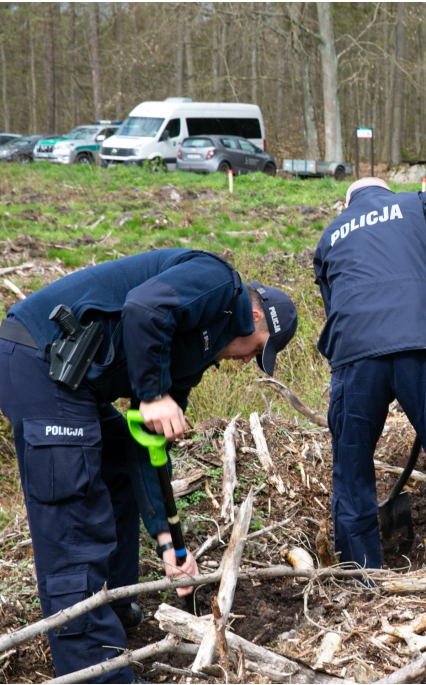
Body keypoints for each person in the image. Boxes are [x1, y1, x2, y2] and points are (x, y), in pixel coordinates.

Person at [0, 249, 298, 683]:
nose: (249, 360)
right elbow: (144, 306)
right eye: (259, 350)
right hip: (38, 360)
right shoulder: (218, 281)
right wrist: (154, 394)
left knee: (118, 457)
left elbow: (147, 443)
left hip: (70, 382)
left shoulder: (195, 352)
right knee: (74, 519)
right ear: (255, 317)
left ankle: (114, 605)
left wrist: (169, 545)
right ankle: (95, 672)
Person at [313, 177, 426, 569]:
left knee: (351, 466)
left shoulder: (330, 235)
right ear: (385, 191)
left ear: (347, 203)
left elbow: (334, 307)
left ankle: (360, 575)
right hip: (423, 342)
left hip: (355, 355)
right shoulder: (418, 202)